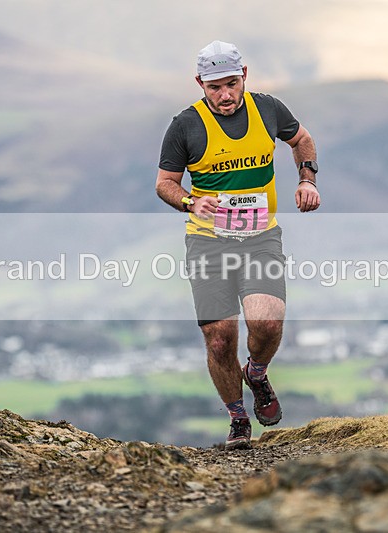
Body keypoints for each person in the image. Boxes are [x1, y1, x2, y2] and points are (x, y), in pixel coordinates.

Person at [155, 40, 320, 450]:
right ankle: (238, 418)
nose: (225, 95)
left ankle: (257, 374)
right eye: (215, 87)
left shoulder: (268, 110)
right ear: (200, 84)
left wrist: (307, 180)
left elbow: (301, 140)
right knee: (219, 338)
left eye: (232, 84)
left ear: (244, 76)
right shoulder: (185, 126)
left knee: (267, 325)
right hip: (208, 244)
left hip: (261, 238)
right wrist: (193, 201)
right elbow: (165, 184)